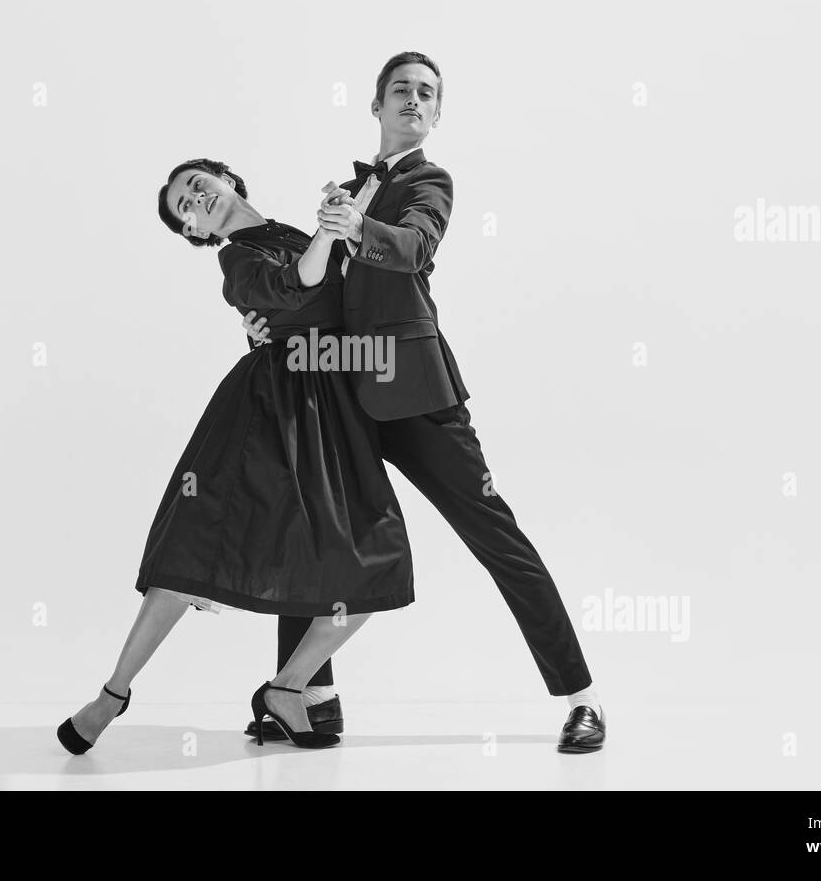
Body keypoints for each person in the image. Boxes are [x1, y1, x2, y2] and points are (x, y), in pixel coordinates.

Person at [242, 52, 607, 753]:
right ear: (375, 106)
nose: (414, 98)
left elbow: (412, 247)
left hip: (415, 394)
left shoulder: (428, 182)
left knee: (495, 536)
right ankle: (309, 696)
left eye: (426, 93)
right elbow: (316, 290)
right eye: (401, 89)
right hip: (339, 389)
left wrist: (356, 230)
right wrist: (266, 322)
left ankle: (582, 698)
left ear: (436, 115)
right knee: (313, 531)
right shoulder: (345, 192)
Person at [55, 158, 413, 754]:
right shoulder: (236, 258)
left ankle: (288, 689)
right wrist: (323, 244)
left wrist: (340, 237)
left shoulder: (292, 234)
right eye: (184, 208)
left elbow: (335, 300)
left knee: (377, 561)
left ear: (230, 181)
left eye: (199, 184)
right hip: (262, 411)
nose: (196, 199)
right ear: (196, 234)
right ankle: (110, 696)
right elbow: (290, 288)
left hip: (328, 409)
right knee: (191, 552)